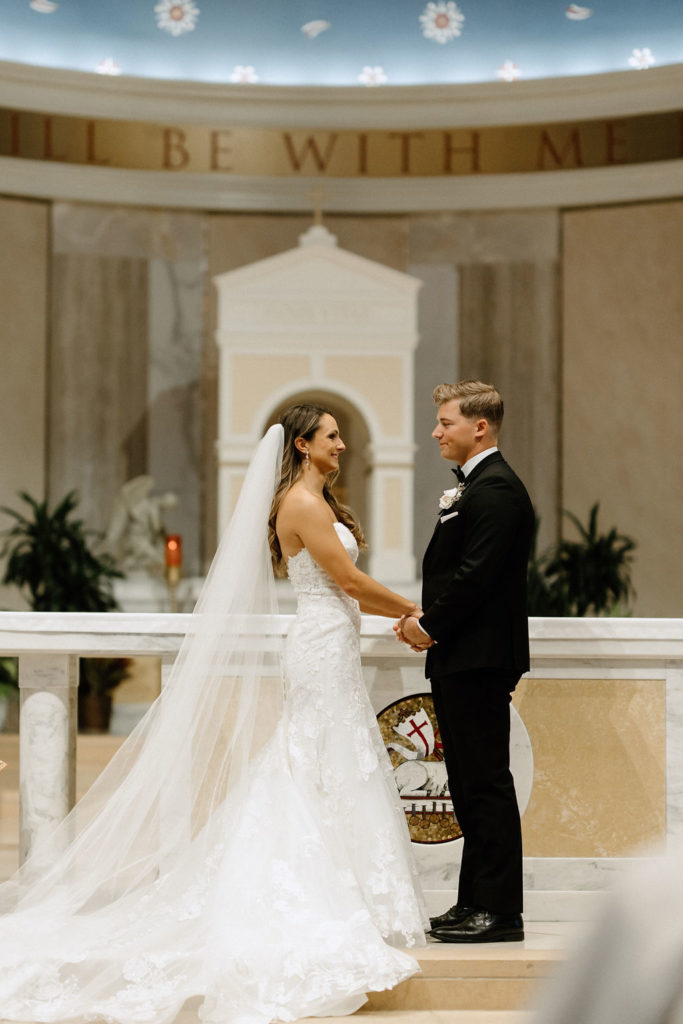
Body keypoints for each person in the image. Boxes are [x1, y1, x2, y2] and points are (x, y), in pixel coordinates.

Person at [0, 403, 427, 1023]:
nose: (343, 445)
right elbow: (349, 581)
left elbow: (351, 587)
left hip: (332, 642)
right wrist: (417, 612)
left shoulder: (322, 501)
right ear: (303, 445)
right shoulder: (303, 506)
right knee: (316, 756)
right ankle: (314, 887)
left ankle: (347, 883)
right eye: (332, 436)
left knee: (329, 758)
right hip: (319, 642)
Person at [396, 380, 534, 944]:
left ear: (480, 427)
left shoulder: (496, 488)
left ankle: (500, 912)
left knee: (486, 785)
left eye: (445, 422)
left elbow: (476, 575)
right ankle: (473, 900)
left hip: (478, 657)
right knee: (468, 785)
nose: (436, 432)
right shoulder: (476, 487)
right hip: (463, 658)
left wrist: (427, 625)